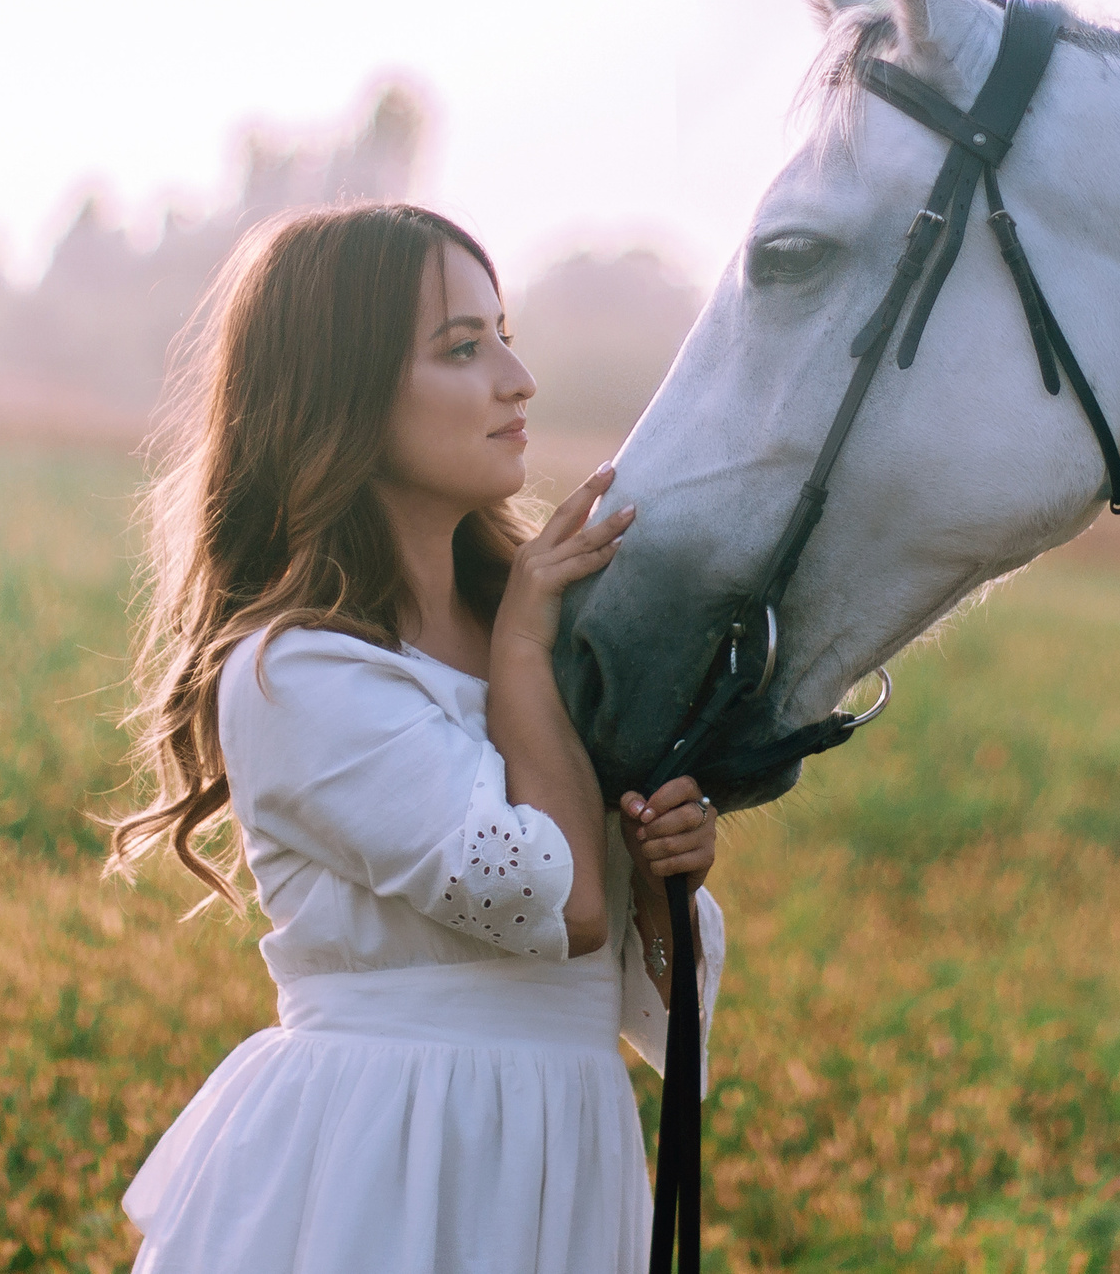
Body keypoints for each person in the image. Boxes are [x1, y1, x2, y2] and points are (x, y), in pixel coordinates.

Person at [104, 202, 719, 1273]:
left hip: (565, 1153)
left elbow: (637, 987)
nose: (517, 380)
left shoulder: (555, 640)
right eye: (462, 349)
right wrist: (525, 653)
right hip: (385, 1162)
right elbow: (556, 903)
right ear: (342, 394)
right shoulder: (296, 674)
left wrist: (663, 865)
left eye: (505, 337)